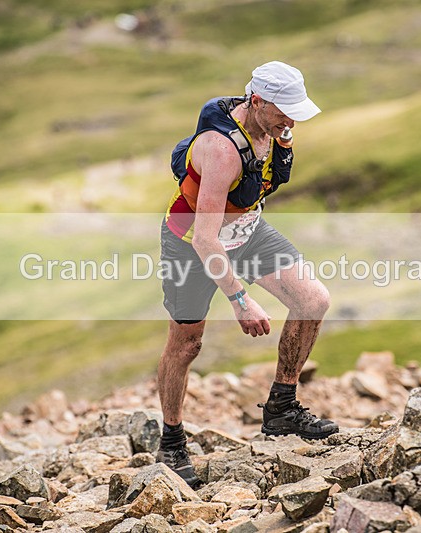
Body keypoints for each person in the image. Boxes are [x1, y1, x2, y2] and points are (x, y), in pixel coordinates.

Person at [156, 61, 338, 487]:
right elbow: (205, 239)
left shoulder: (273, 125)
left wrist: (284, 131)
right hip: (191, 243)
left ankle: (282, 409)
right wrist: (240, 300)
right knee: (187, 344)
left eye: (296, 112)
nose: (290, 120)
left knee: (313, 300)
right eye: (282, 112)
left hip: (248, 231)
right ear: (256, 101)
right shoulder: (220, 149)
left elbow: (272, 162)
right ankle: (171, 440)